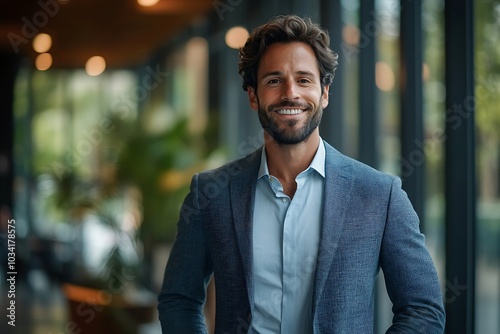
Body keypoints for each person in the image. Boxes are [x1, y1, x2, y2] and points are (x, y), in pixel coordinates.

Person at [158, 14, 445, 333]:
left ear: (324, 93)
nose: (290, 93)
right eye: (273, 80)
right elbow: (179, 299)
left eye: (304, 79)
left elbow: (422, 309)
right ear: (253, 95)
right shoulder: (211, 191)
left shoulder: (380, 195)